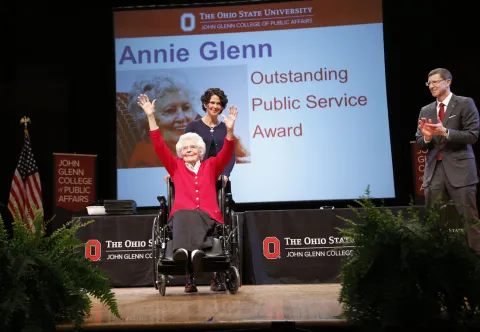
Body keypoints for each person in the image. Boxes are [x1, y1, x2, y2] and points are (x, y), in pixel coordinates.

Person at [137, 93, 238, 293]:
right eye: (185, 148)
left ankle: (189, 252)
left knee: (195, 215)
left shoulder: (211, 165)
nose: (189, 150)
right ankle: (191, 252)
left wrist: (230, 130)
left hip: (207, 214)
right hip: (182, 215)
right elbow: (158, 145)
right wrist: (150, 116)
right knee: (183, 214)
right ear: (180, 152)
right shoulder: (174, 166)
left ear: (201, 151)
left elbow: (226, 153)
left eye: (193, 147)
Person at [416, 67, 480, 254]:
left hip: (461, 170)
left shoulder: (465, 103)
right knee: (435, 221)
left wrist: (445, 131)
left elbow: (472, 135)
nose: (432, 86)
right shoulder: (426, 110)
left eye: (435, 82)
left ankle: (476, 264)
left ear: (448, 82)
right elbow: (421, 141)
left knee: (469, 219)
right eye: (429, 83)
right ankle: (439, 265)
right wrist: (427, 137)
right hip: (434, 172)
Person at [125, 75, 202, 168]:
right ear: (147, 118)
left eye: (186, 108)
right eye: (169, 111)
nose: (182, 118)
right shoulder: (146, 158)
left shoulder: (197, 141)